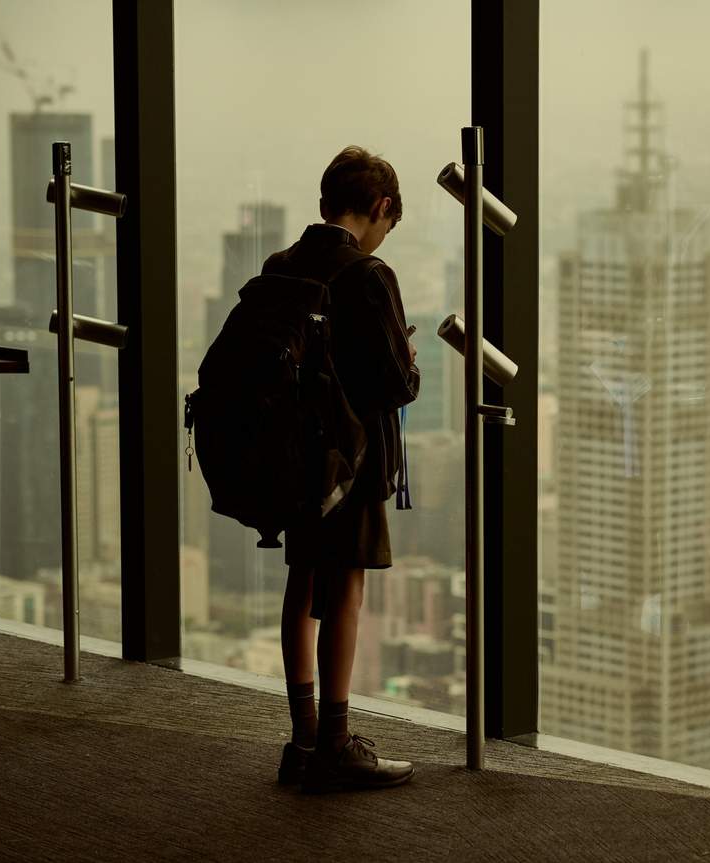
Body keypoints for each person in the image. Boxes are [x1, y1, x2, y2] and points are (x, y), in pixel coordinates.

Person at [267, 146, 421, 793]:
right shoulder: (368, 274)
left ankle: (302, 739)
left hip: (291, 457)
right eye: (388, 222)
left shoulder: (282, 265)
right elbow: (395, 382)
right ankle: (336, 742)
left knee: (303, 584)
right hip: (349, 461)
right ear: (380, 207)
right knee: (347, 590)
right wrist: (407, 355)